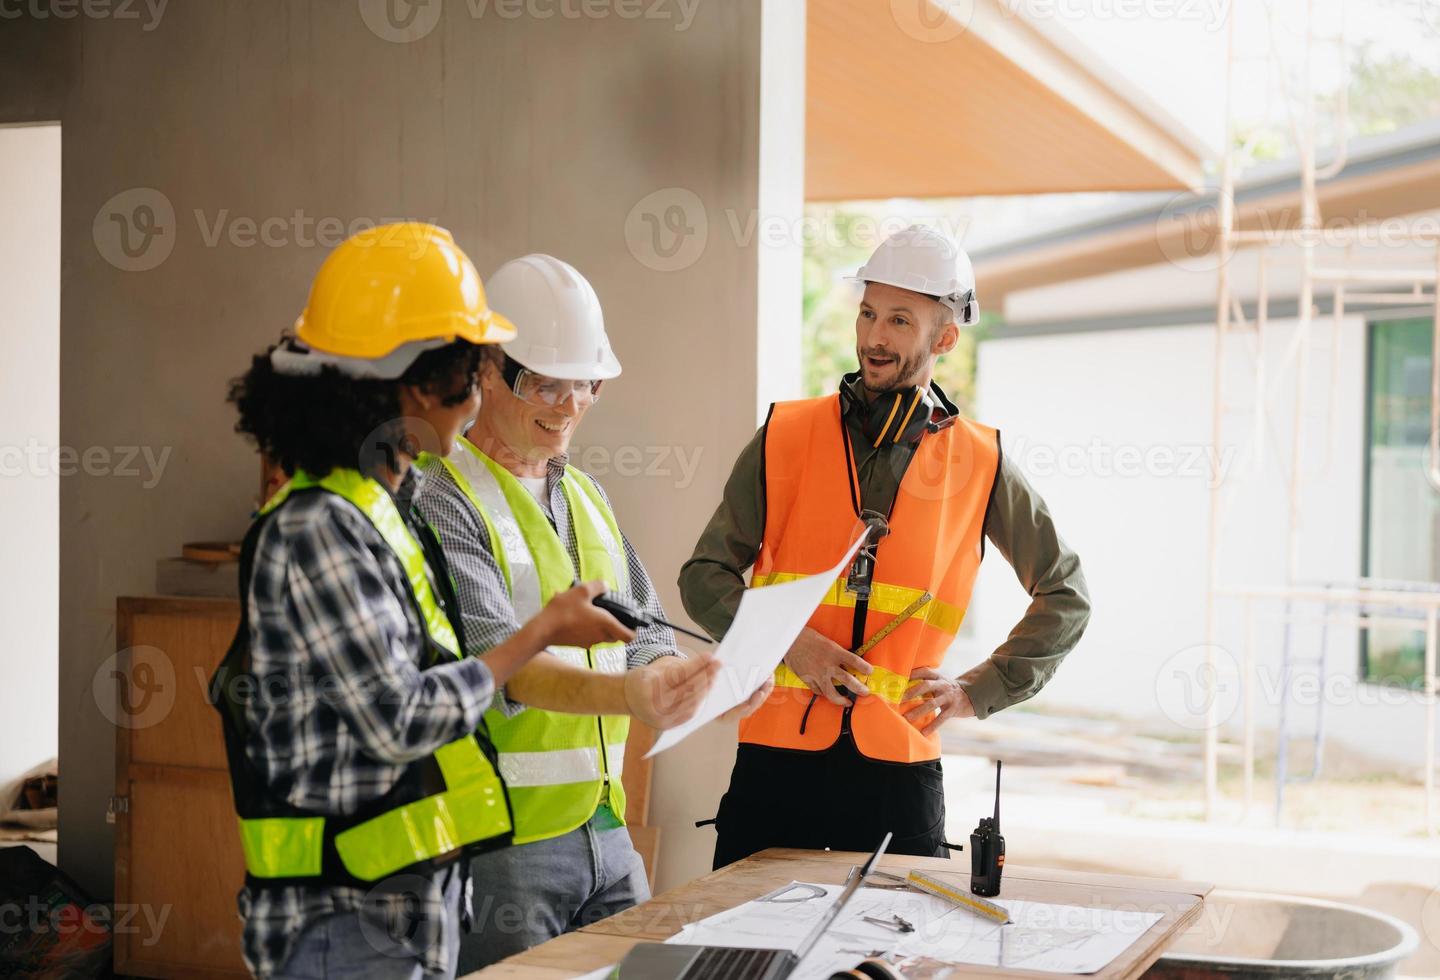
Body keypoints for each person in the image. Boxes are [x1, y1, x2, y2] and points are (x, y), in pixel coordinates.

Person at [214, 224, 717, 979]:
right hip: (343, 908)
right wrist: (540, 634)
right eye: (472, 373)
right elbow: (403, 713)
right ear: (418, 384)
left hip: (415, 888)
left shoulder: (380, 505)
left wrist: (690, 674)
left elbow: (631, 627)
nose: (478, 395)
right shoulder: (322, 526)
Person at [679, 225, 1092, 869]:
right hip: (775, 766)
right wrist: (791, 642)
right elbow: (705, 575)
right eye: (869, 313)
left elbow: (1067, 596)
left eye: (900, 320)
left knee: (887, 965)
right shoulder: (784, 435)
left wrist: (976, 690)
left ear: (946, 337)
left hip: (898, 774)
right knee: (749, 962)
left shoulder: (982, 462)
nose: (874, 337)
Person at [412, 254, 770, 970]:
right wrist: (633, 696)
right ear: (487, 370)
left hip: (605, 829)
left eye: (587, 384)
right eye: (546, 382)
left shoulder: (586, 496)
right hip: (500, 846)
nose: (571, 404)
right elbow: (500, 667)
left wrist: (700, 687)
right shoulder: (440, 501)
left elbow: (643, 638)